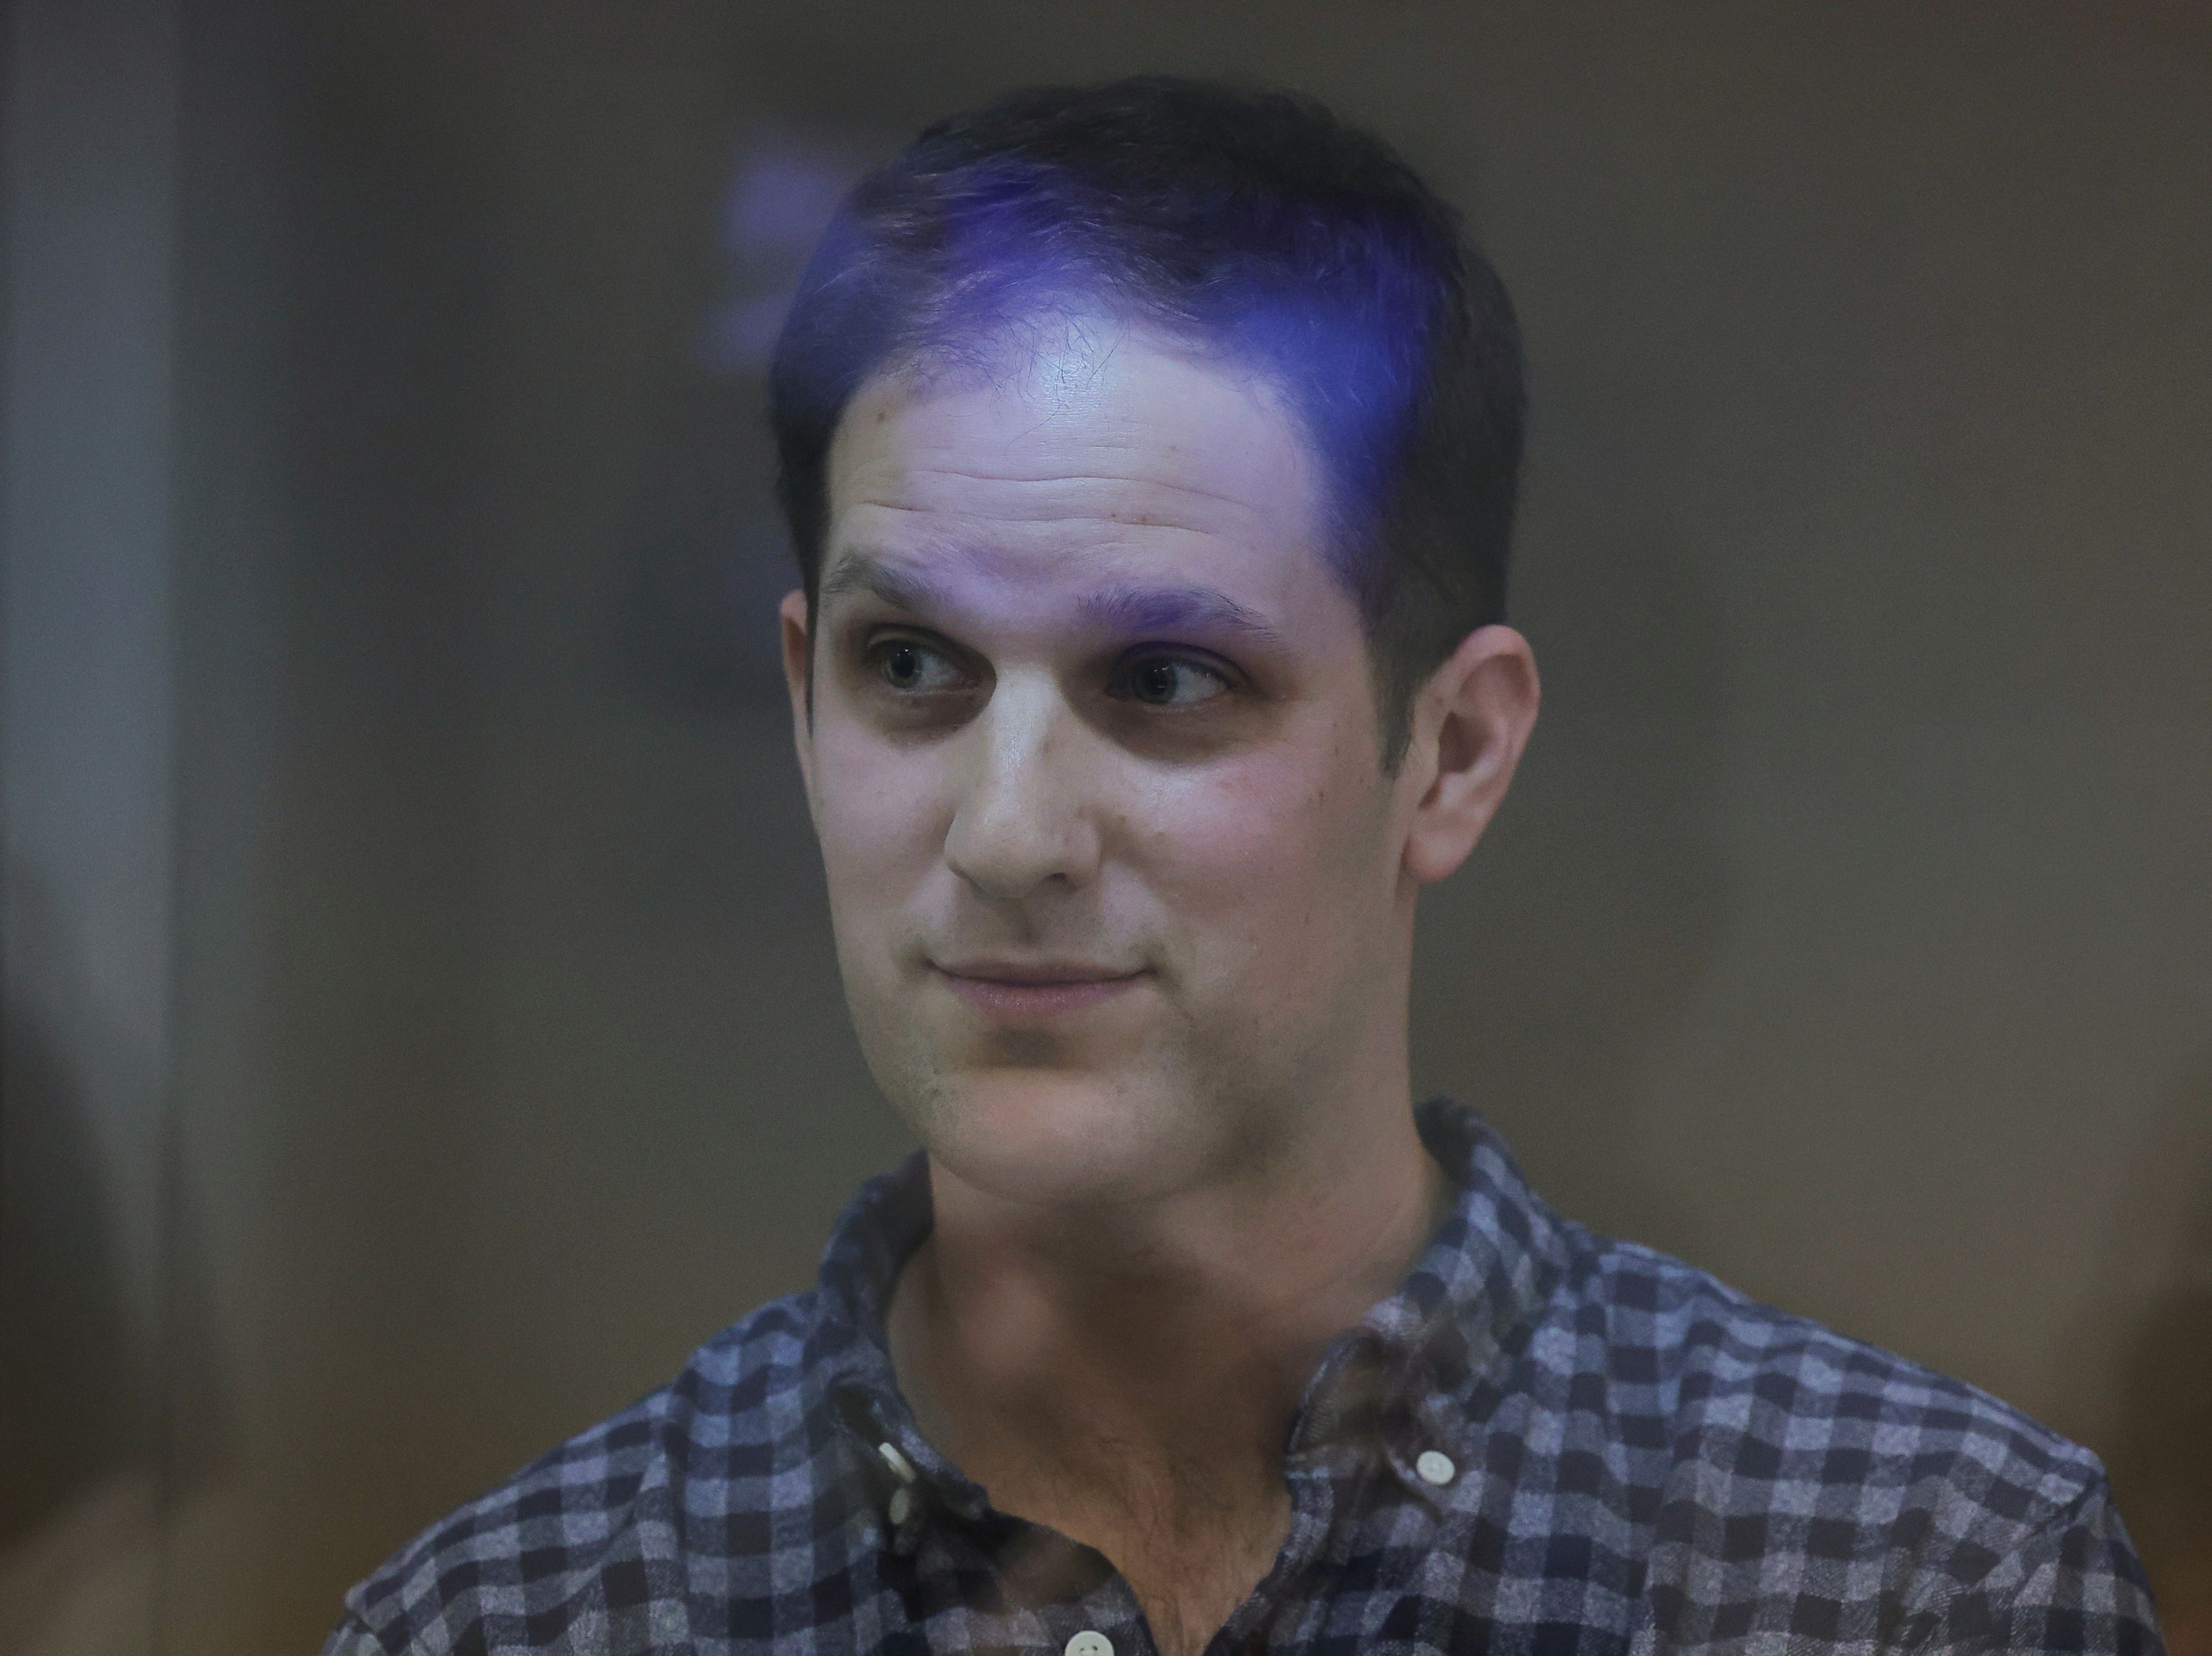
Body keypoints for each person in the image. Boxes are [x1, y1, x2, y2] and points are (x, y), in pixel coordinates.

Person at [323, 76, 2164, 1656]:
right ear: (803, 698)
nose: (1009, 829)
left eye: (1166, 678)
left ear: (1449, 752)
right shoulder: (527, 1618)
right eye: (913, 668)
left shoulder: (1906, 1581)